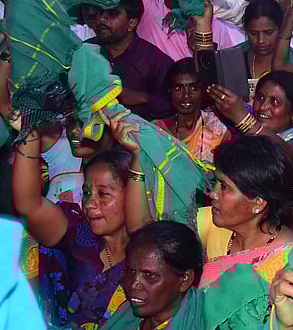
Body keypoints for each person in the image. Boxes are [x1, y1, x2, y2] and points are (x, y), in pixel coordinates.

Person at [13, 131, 133, 328]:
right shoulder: (78, 234)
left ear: (133, 196)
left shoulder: (149, 251)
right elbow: (28, 204)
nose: (90, 203)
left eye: (103, 194)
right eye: (87, 193)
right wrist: (30, 133)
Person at [197, 136, 293, 284]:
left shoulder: (290, 259)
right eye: (216, 182)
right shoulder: (211, 222)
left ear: (258, 203)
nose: (213, 193)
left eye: (224, 187)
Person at [84, 0, 174, 121]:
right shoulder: (84, 51)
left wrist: (144, 98)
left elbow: (173, 107)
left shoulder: (155, 61)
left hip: (138, 132)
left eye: (112, 14)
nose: (101, 19)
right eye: (100, 12)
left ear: (131, 23)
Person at [107, 220, 202, 329]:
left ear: (185, 279)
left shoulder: (202, 324)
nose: (133, 284)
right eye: (130, 271)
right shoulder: (123, 315)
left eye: (149, 275)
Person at [154, 59, 232, 164]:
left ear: (204, 91)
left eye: (194, 88)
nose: (186, 95)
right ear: (169, 91)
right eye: (178, 88)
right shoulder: (157, 130)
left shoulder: (217, 130)